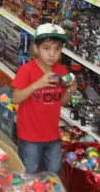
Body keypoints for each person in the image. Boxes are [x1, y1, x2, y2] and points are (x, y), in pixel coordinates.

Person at [11, 24, 77, 174]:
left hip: (52, 134)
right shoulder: (27, 70)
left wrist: (70, 90)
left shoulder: (61, 71)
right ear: (36, 48)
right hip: (30, 135)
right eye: (46, 48)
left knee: (54, 172)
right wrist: (37, 84)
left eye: (57, 49)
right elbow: (15, 99)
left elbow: (62, 102)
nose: (52, 54)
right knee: (29, 172)